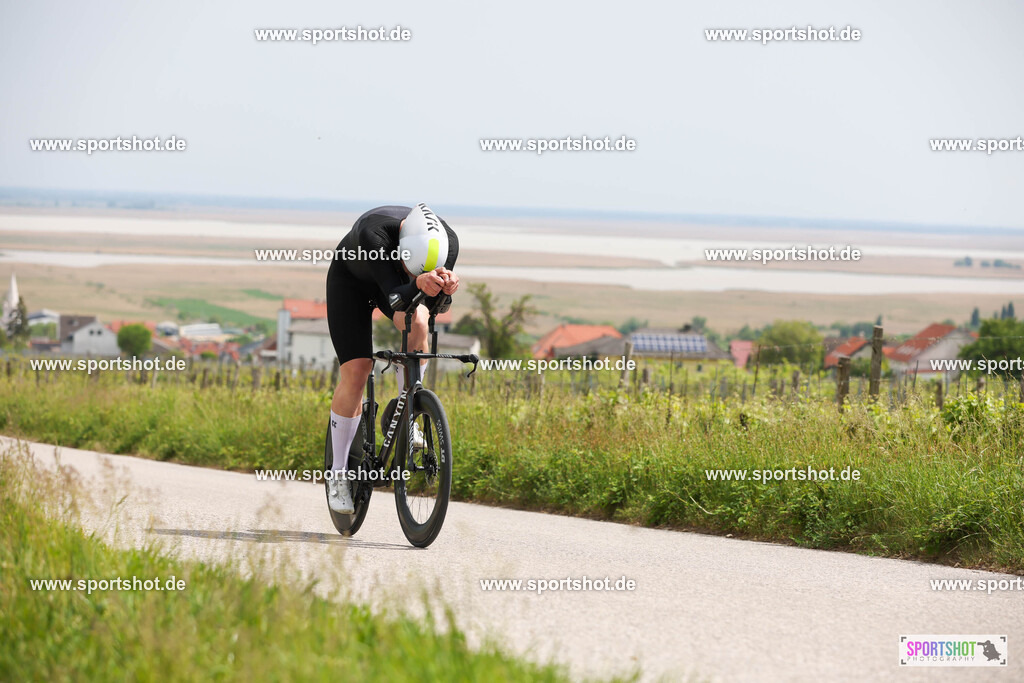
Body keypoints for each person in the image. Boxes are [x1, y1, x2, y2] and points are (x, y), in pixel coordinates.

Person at [325, 204, 460, 513]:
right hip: (352, 285)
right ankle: (338, 474)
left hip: (399, 286)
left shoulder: (447, 241)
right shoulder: (373, 234)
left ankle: (407, 409)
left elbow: (437, 307)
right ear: (401, 250)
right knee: (357, 371)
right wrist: (417, 282)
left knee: (419, 321)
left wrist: (447, 289)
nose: (415, 274)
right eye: (411, 268)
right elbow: (395, 296)